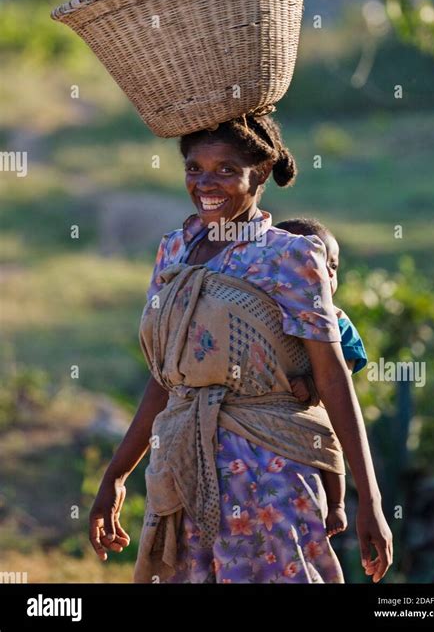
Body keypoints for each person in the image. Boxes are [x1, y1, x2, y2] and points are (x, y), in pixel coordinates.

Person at [89, 114, 392, 584]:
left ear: (262, 173)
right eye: (195, 168)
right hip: (182, 470)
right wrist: (115, 475)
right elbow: (166, 378)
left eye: (227, 170)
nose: (206, 183)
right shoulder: (173, 252)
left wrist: (370, 499)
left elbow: (333, 378)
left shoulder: (290, 256)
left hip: (270, 479)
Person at [274, 217, 368, 538]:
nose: (328, 273)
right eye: (318, 262)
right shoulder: (268, 313)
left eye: (334, 265)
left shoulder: (335, 320)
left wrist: (314, 386)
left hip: (315, 415)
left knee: (329, 446)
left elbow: (348, 363)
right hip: (271, 426)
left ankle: (338, 505)